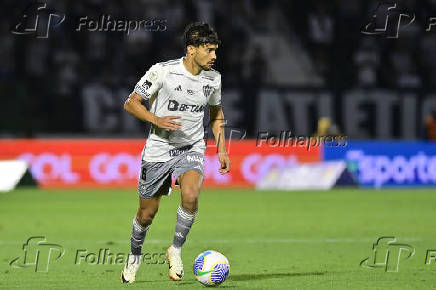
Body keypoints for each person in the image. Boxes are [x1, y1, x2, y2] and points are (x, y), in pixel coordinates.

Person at [121, 22, 230, 283]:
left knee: (191, 195)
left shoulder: (214, 79)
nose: (214, 56)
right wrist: (155, 119)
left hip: (191, 147)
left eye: (215, 50)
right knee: (147, 214)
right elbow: (131, 103)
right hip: (158, 150)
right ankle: (135, 255)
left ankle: (176, 250)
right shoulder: (163, 71)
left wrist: (222, 149)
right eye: (209, 50)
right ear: (192, 50)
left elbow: (215, 113)